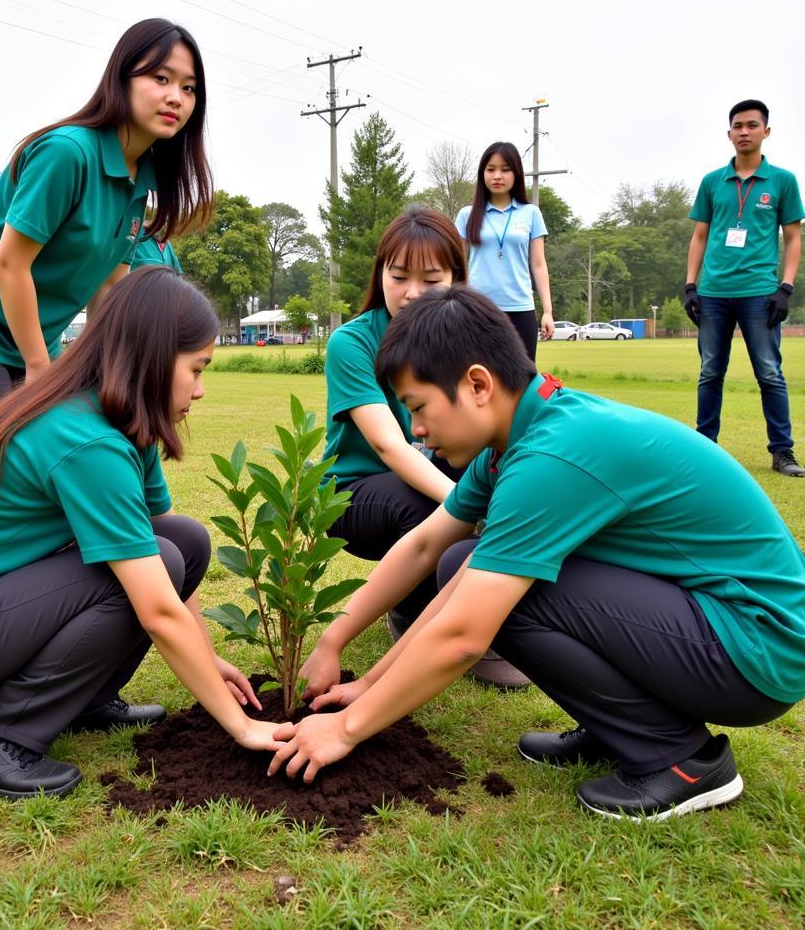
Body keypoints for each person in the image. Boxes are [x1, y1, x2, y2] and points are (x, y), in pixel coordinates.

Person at [269, 284, 805, 822]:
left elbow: (462, 635)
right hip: (713, 623)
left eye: (419, 406)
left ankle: (681, 759)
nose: (418, 432)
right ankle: (619, 728)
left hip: (756, 646)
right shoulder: (515, 440)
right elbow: (426, 545)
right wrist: (354, 666)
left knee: (508, 595)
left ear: (477, 383)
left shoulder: (552, 456)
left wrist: (345, 729)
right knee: (462, 560)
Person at [0, 268, 285, 799]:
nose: (202, 389)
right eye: (197, 368)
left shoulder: (121, 417)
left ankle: (86, 698)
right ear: (152, 356)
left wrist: (207, 658)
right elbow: (158, 605)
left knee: (183, 541)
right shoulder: (86, 440)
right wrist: (242, 728)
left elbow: (160, 549)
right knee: (158, 564)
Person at [0, 17, 212, 443]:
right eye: (160, 78)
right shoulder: (67, 153)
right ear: (121, 78)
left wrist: (111, 375)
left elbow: (109, 288)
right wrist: (39, 368)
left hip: (35, 339)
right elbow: (10, 264)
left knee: (51, 463)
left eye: (188, 87)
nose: (175, 98)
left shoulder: (138, 178)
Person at [320, 205, 526, 689]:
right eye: (399, 276)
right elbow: (392, 445)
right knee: (423, 500)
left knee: (502, 490)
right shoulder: (351, 343)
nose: (412, 294)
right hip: (355, 491)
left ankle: (482, 618)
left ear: (457, 279)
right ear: (380, 275)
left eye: (431, 280)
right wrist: (465, 507)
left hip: (434, 475)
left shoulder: (465, 342)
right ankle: (414, 617)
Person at [684, 99, 805, 477]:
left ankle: (782, 452)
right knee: (710, 372)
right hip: (714, 292)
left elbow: (793, 237)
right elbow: (699, 235)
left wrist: (785, 287)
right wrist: (691, 285)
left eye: (752, 125)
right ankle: (706, 447)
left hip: (759, 293)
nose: (744, 132)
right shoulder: (712, 182)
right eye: (738, 125)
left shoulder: (782, 181)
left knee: (769, 372)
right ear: (729, 133)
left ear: (765, 131)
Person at [455, 141, 553, 360]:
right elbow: (455, 264)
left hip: (521, 309)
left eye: (505, 169)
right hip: (477, 310)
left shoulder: (531, 213)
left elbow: (538, 264)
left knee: (523, 381)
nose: (497, 175)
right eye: (491, 169)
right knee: (478, 378)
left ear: (516, 173)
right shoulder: (466, 215)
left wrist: (547, 311)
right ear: (483, 174)